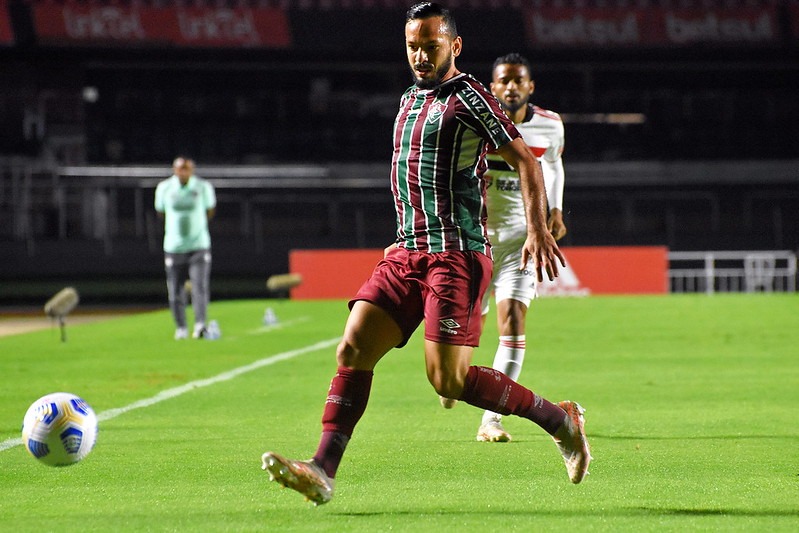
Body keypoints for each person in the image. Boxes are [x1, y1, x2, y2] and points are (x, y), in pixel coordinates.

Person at [261, 2, 590, 506]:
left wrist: (540, 229)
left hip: (455, 254)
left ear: (454, 46)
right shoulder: (409, 98)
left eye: (430, 46)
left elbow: (525, 158)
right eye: (412, 46)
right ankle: (322, 469)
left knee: (448, 380)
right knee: (353, 348)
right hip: (406, 252)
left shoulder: (472, 95)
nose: (419, 55)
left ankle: (559, 421)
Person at [468, 52, 570, 442]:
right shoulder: (477, 123)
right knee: (465, 330)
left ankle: (491, 420)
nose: (511, 87)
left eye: (518, 80)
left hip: (522, 240)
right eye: (503, 81)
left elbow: (555, 165)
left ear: (530, 86)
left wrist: (554, 210)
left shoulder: (550, 126)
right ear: (493, 87)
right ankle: (453, 383)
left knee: (512, 322)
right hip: (474, 240)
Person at [154, 157, 216, 340]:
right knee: (175, 290)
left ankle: (200, 325)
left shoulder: (203, 187)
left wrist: (197, 227)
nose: (184, 172)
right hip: (174, 247)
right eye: (181, 168)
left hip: (199, 246)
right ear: (175, 170)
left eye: (187, 168)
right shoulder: (164, 188)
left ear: (192, 170)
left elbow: (210, 210)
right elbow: (160, 211)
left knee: (199, 287)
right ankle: (181, 327)